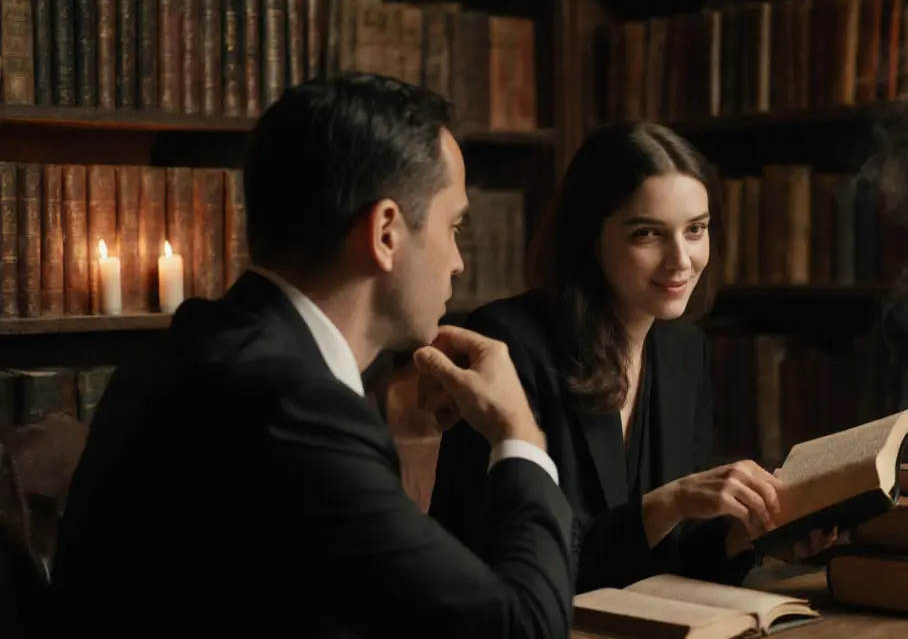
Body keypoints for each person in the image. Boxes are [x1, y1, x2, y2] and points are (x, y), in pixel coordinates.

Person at [50, 75, 574, 638]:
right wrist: (517, 431)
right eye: (454, 227)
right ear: (386, 233)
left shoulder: (193, 345)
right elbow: (526, 629)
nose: (457, 263)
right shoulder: (290, 404)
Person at [429, 120, 836, 593]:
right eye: (648, 234)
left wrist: (742, 538)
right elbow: (521, 561)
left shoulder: (683, 350)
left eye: (696, 230)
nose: (681, 259)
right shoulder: (506, 343)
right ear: (590, 240)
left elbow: (675, 554)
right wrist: (669, 502)